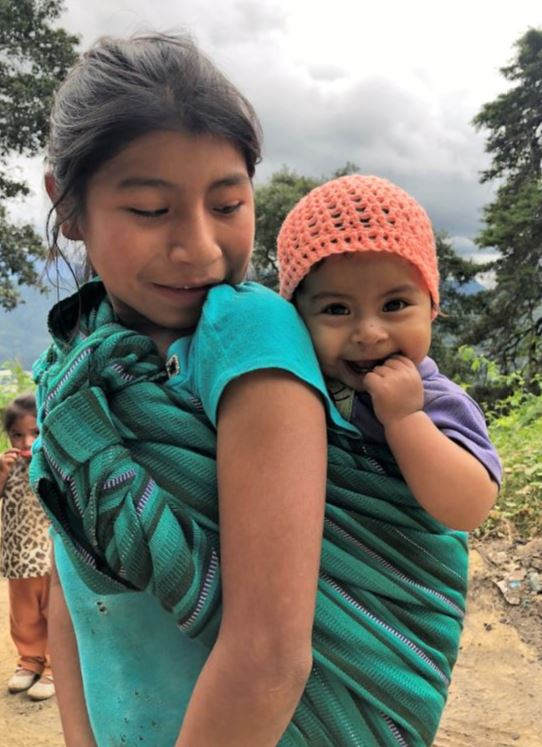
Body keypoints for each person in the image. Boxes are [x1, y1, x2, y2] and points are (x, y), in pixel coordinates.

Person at [30, 33, 483, 747]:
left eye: (228, 203)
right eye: (149, 210)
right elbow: (73, 578)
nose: (201, 248)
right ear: (69, 203)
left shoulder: (247, 334)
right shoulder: (77, 361)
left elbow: (269, 656)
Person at [277, 174, 501, 530]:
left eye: (394, 305)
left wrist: (405, 420)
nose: (369, 334)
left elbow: (470, 509)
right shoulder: (293, 385)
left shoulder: (438, 400)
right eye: (337, 309)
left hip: (405, 559)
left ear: (431, 308)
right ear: (297, 318)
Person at [1, 393, 55, 701]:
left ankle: (55, 666)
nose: (26, 442)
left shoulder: (50, 463)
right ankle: (30, 660)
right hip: (18, 556)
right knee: (24, 616)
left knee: (53, 612)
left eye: (35, 433)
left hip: (48, 555)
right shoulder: (7, 466)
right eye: (17, 435)